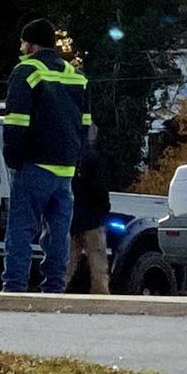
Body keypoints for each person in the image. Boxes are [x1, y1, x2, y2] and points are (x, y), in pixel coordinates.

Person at [1, 18, 89, 294]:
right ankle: (53, 287)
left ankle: (14, 286)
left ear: (31, 43)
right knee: (58, 234)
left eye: (22, 43)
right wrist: (77, 158)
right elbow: (85, 123)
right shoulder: (76, 76)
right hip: (65, 168)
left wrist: (13, 160)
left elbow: (16, 122)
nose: (21, 48)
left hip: (35, 164)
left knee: (21, 229)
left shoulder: (26, 71)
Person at [66, 124, 111, 294]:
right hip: (92, 219)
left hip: (70, 217)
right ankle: (100, 294)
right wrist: (104, 209)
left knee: (67, 261)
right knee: (97, 259)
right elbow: (98, 187)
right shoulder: (93, 158)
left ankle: (55, 289)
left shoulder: (67, 155)